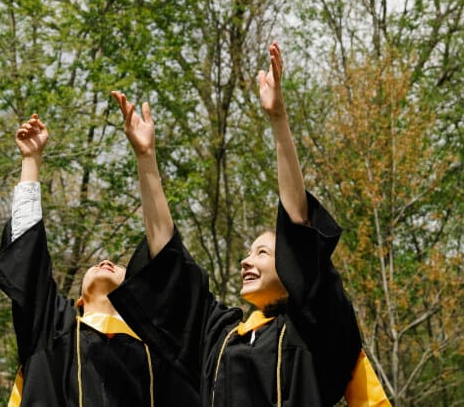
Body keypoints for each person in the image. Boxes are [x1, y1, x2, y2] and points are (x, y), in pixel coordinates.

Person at [108, 43, 389, 406]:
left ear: (290, 265)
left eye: (262, 252)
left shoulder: (312, 329)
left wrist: (278, 118)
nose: (246, 261)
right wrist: (146, 159)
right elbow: (167, 262)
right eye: (248, 252)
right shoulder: (219, 337)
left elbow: (297, 222)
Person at [0, 114, 200, 406]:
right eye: (95, 266)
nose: (106, 262)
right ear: (78, 301)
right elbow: (27, 256)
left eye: (120, 266)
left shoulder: (157, 351)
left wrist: (146, 156)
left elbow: (167, 264)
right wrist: (31, 160)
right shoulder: (54, 330)